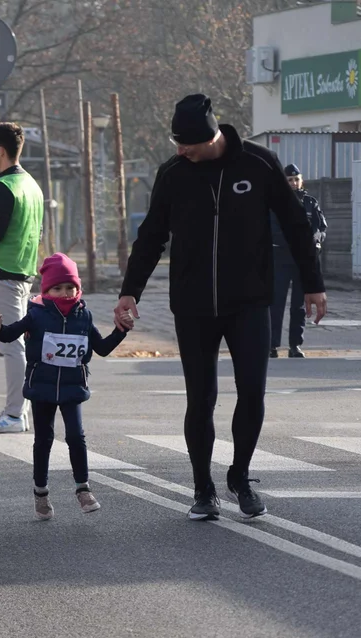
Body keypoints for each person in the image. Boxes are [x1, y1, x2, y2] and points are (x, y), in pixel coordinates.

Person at [114, 93, 326, 521]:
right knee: (201, 397)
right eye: (175, 142)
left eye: (186, 142)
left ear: (210, 136)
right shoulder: (173, 173)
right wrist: (129, 291)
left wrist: (313, 285)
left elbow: (296, 226)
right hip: (192, 306)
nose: (179, 150)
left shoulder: (259, 164)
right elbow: (152, 235)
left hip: (249, 301)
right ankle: (202, 488)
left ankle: (240, 476)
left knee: (252, 392)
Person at [0, 253, 128, 519]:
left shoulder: (83, 316)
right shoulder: (36, 315)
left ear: (78, 288)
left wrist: (121, 331)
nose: (65, 293)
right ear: (47, 290)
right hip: (42, 387)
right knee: (44, 440)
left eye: (70, 287)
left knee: (76, 436)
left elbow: (102, 348)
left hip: (72, 387)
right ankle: (41, 493)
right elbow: (8, 334)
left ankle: (83, 489)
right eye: (58, 288)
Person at [0, 122, 44, 435]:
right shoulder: (32, 185)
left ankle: (15, 414)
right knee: (17, 343)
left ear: (0, 150)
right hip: (25, 271)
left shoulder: (1, 189)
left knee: (12, 345)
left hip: (3, 273)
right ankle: (19, 412)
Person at [270, 163, 327, 359]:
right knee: (276, 303)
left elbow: (320, 227)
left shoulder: (310, 202)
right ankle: (272, 345)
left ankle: (295, 345)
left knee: (300, 305)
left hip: (302, 261)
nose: (294, 183)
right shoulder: (275, 202)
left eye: (296, 179)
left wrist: (316, 241)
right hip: (280, 258)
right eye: (289, 180)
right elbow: (271, 229)